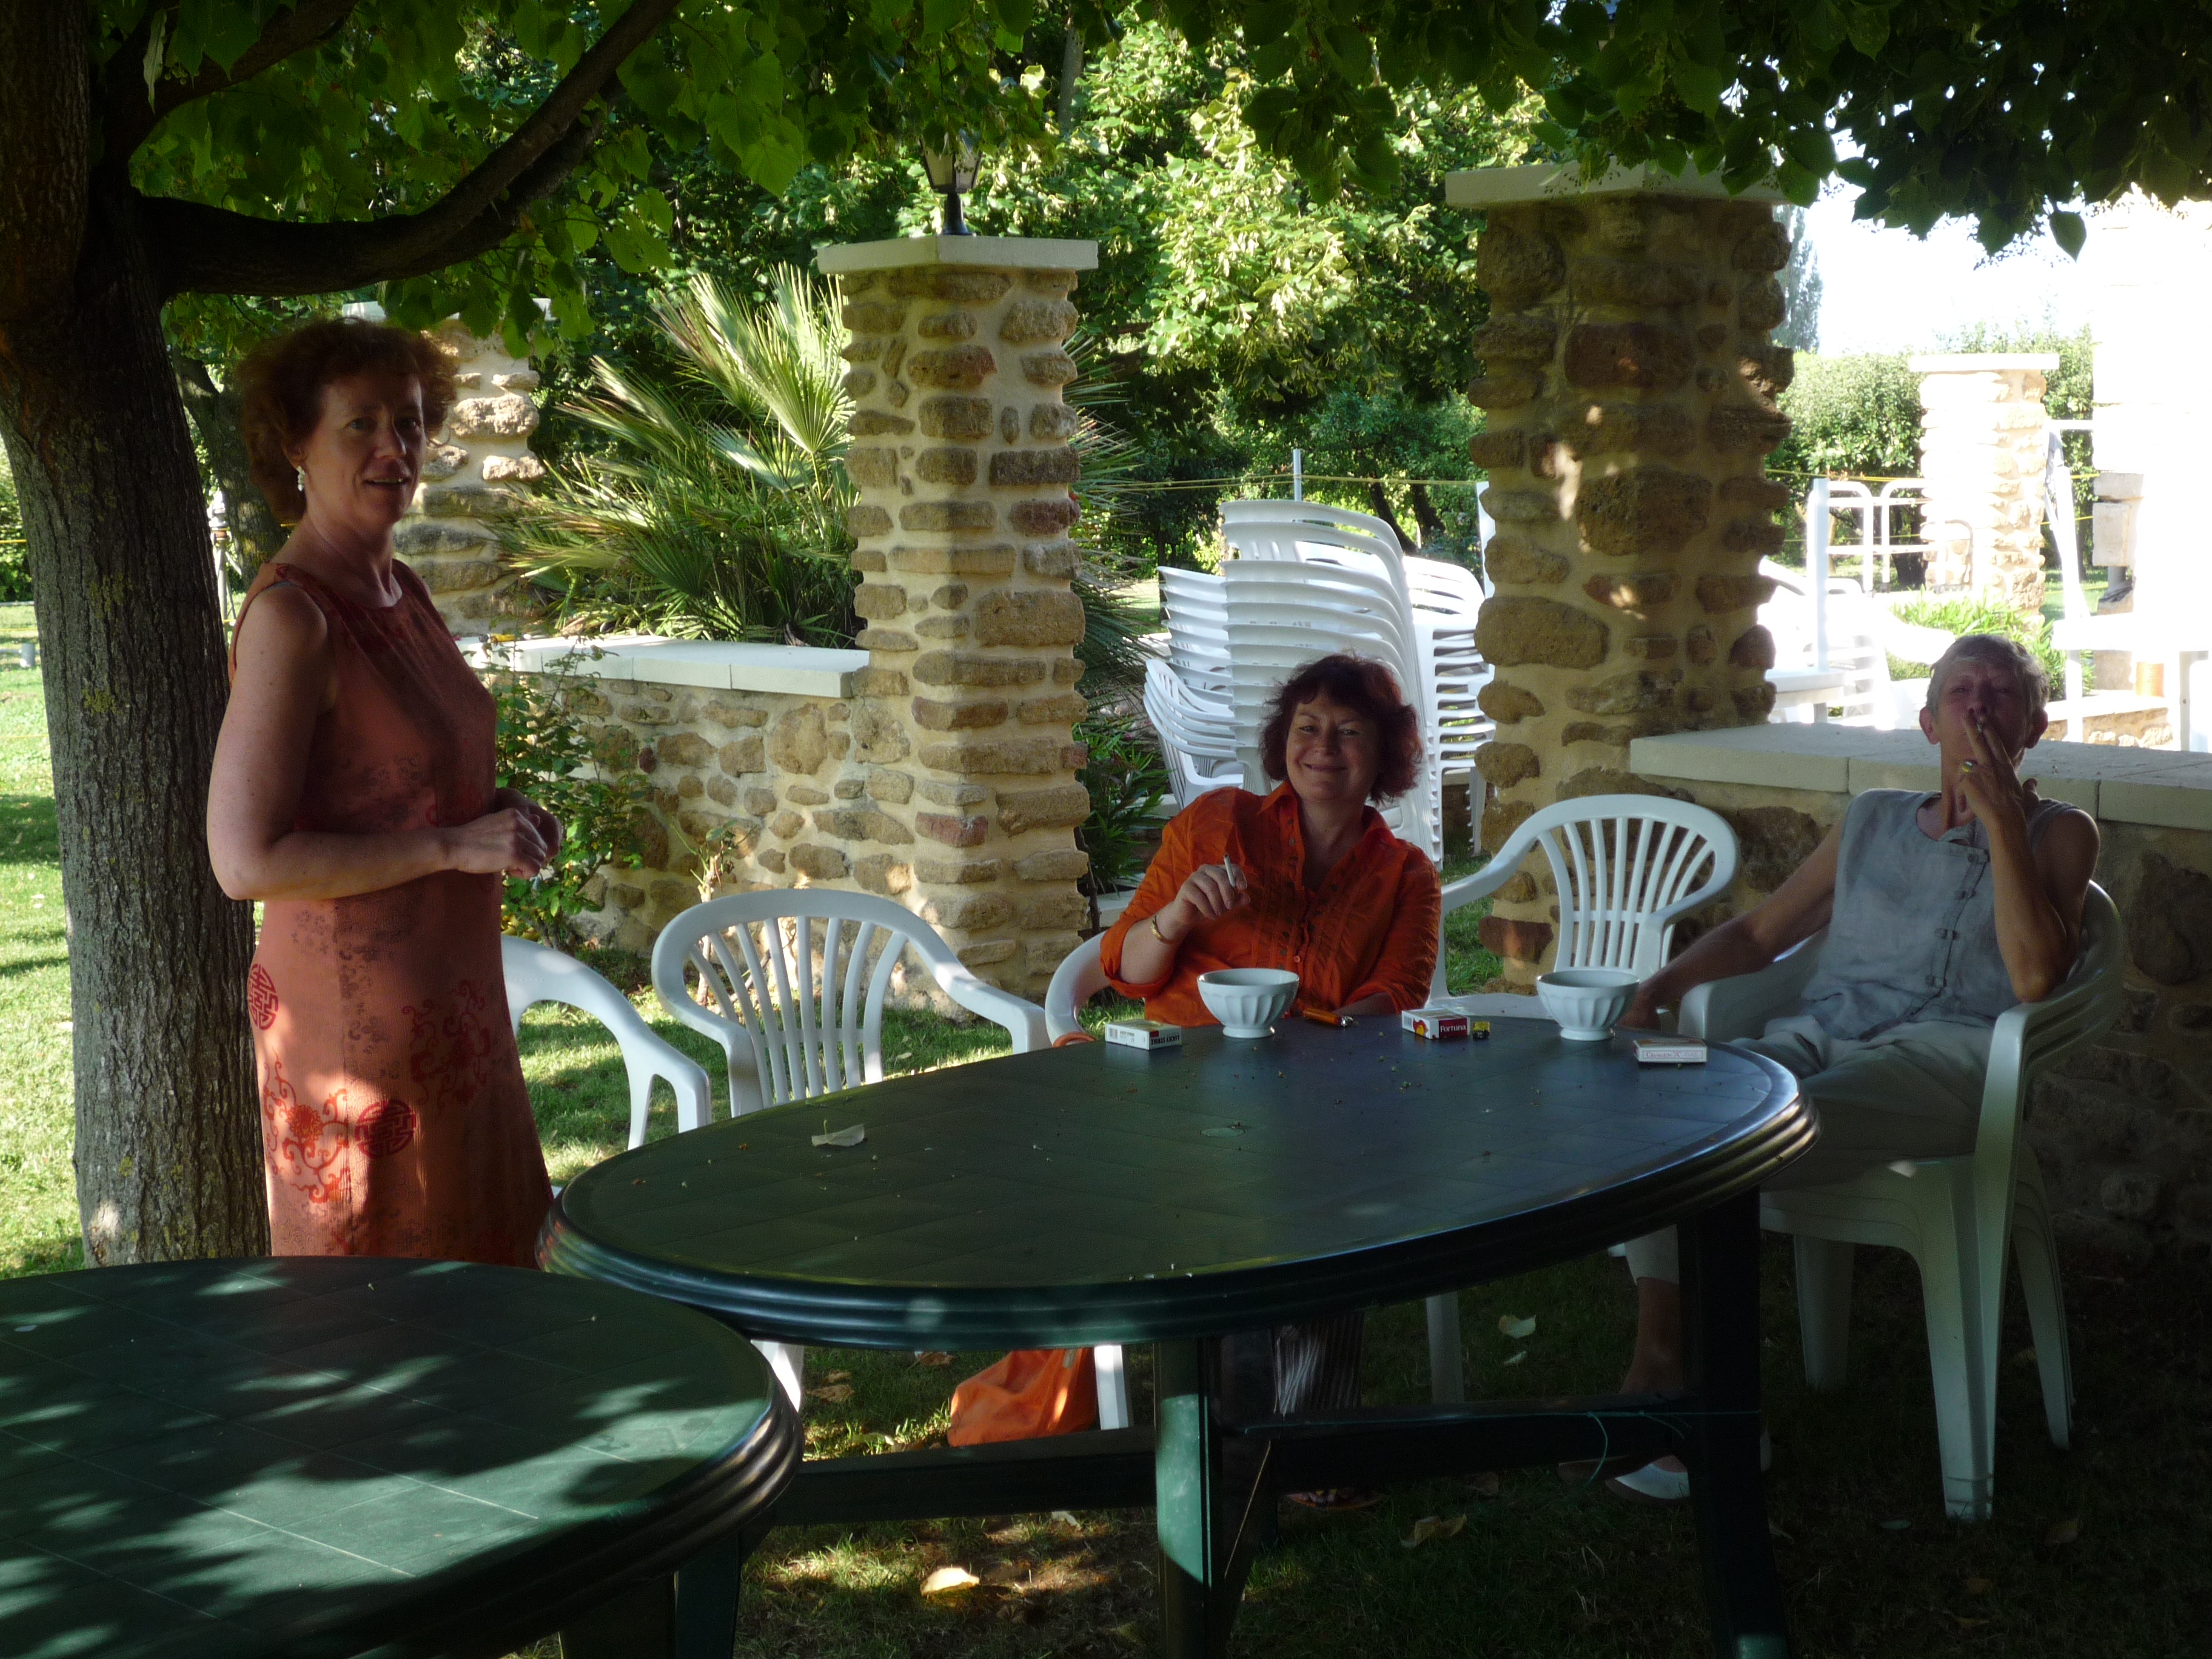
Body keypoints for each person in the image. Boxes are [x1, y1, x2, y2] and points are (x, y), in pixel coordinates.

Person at [1601, 633, 2098, 1501]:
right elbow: (1760, 933)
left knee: (1729, 1140)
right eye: (1961, 692)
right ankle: (1670, 1374)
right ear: (1929, 722)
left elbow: (2033, 977)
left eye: (2001, 693)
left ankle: (1692, 1404)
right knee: (1659, 1101)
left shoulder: (2061, 834)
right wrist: (1660, 988)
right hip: (1813, 1039)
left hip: (1941, 1066)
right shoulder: (1872, 818)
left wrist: (2001, 824)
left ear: (2035, 726)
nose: (1979, 707)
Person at [943, 655, 1444, 1480]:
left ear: (1384, 752)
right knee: (1230, 1183)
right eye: (1308, 727)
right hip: (1174, 1083)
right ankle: (1235, 1408)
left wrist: (1327, 1030)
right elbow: (1127, 968)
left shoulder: (1406, 875)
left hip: (1315, 1088)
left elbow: (1397, 993)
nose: (1323, 748)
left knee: (1335, 1188)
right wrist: (1177, 916)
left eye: (1349, 732)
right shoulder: (1218, 825)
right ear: (1283, 739)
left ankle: (1306, 1444)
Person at [206, 318, 559, 1266]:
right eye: (359, 425)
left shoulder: (403, 588)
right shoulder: (294, 619)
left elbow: (412, 785)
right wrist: (452, 846)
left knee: (489, 1291)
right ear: (295, 443)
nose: (394, 448)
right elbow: (244, 862)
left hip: (454, 1012)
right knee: (379, 1310)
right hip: (352, 1038)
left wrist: (499, 814)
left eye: (408, 422)